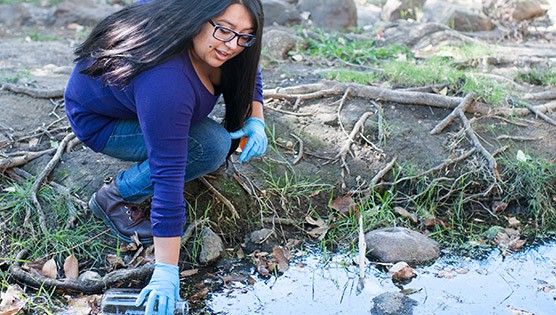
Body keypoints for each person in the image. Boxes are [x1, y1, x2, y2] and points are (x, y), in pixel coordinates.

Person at [64, 0, 266, 314]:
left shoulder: (222, 45)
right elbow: (168, 173)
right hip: (102, 121)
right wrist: (167, 271)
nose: (232, 45)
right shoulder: (167, 82)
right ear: (199, 18)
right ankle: (114, 196)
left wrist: (257, 118)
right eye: (224, 30)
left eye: (244, 35)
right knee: (210, 147)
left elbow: (250, 67)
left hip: (147, 102)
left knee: (214, 141)